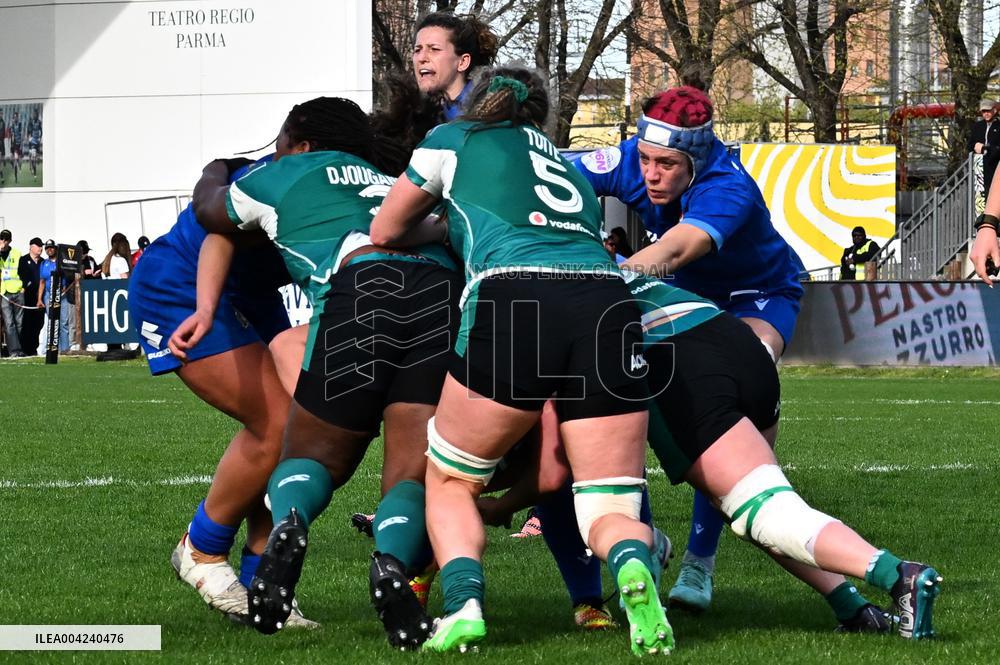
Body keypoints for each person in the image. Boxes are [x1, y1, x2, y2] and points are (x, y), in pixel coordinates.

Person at [370, 66, 672, 656]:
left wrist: (442, 229)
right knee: (608, 498)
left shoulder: (451, 139)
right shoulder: (565, 163)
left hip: (515, 295)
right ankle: (632, 565)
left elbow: (386, 227)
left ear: (476, 103)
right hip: (606, 298)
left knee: (451, 478)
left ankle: (463, 606)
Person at [484, 268, 943, 640]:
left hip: (674, 359)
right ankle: (852, 608)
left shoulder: (528, 300)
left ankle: (898, 575)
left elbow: (553, 471)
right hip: (733, 338)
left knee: (763, 511)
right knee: (764, 507)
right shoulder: (579, 260)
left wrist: (496, 504)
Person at [189, 93, 457, 648]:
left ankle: (291, 521)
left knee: (313, 456)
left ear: (299, 143)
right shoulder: (389, 175)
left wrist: (218, 168)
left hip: (361, 292)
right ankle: (389, 560)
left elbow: (209, 211)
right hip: (439, 296)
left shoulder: (282, 174)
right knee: (410, 472)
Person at [570, 86, 806, 613]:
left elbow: (675, 250)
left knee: (729, 398)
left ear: (696, 159)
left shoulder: (728, 185)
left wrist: (603, 278)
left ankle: (700, 562)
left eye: (667, 165)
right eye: (646, 160)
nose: (650, 174)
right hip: (683, 292)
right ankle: (644, 538)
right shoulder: (635, 157)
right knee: (620, 389)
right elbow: (554, 177)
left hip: (756, 294)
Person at [127, 157, 319, 628]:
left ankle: (263, 586)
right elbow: (220, 224)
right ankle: (202, 549)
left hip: (250, 291)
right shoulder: (295, 177)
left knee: (296, 428)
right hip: (183, 283)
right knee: (276, 421)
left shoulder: (340, 173)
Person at [412, 12, 498, 120]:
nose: (421, 58)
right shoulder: (413, 118)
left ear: (463, 62)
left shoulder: (491, 114)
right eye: (417, 50)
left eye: (434, 49)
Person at [17, 237, 44, 355]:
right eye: (38, 246)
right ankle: (25, 349)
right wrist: (29, 284)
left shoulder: (43, 261)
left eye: (41, 246)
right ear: (31, 247)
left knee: (39, 323)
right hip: (28, 296)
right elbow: (23, 276)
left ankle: (35, 348)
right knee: (27, 323)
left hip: (40, 297)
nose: (40, 248)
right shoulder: (23, 260)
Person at [0, 229, 25, 357]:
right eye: (1, 238)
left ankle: (18, 349)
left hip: (18, 291)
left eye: (6, 239)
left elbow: (23, 271)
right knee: (9, 323)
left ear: (10, 240)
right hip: (4, 292)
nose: (3, 241)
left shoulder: (16, 253)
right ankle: (14, 351)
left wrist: (24, 286)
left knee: (19, 323)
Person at [968, 100, 1000, 191]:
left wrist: (986, 148)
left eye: (988, 111)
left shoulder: (999, 126)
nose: (986, 114)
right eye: (983, 111)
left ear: (994, 111)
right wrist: (976, 146)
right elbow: (970, 145)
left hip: (996, 166)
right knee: (981, 197)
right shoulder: (977, 126)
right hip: (979, 167)